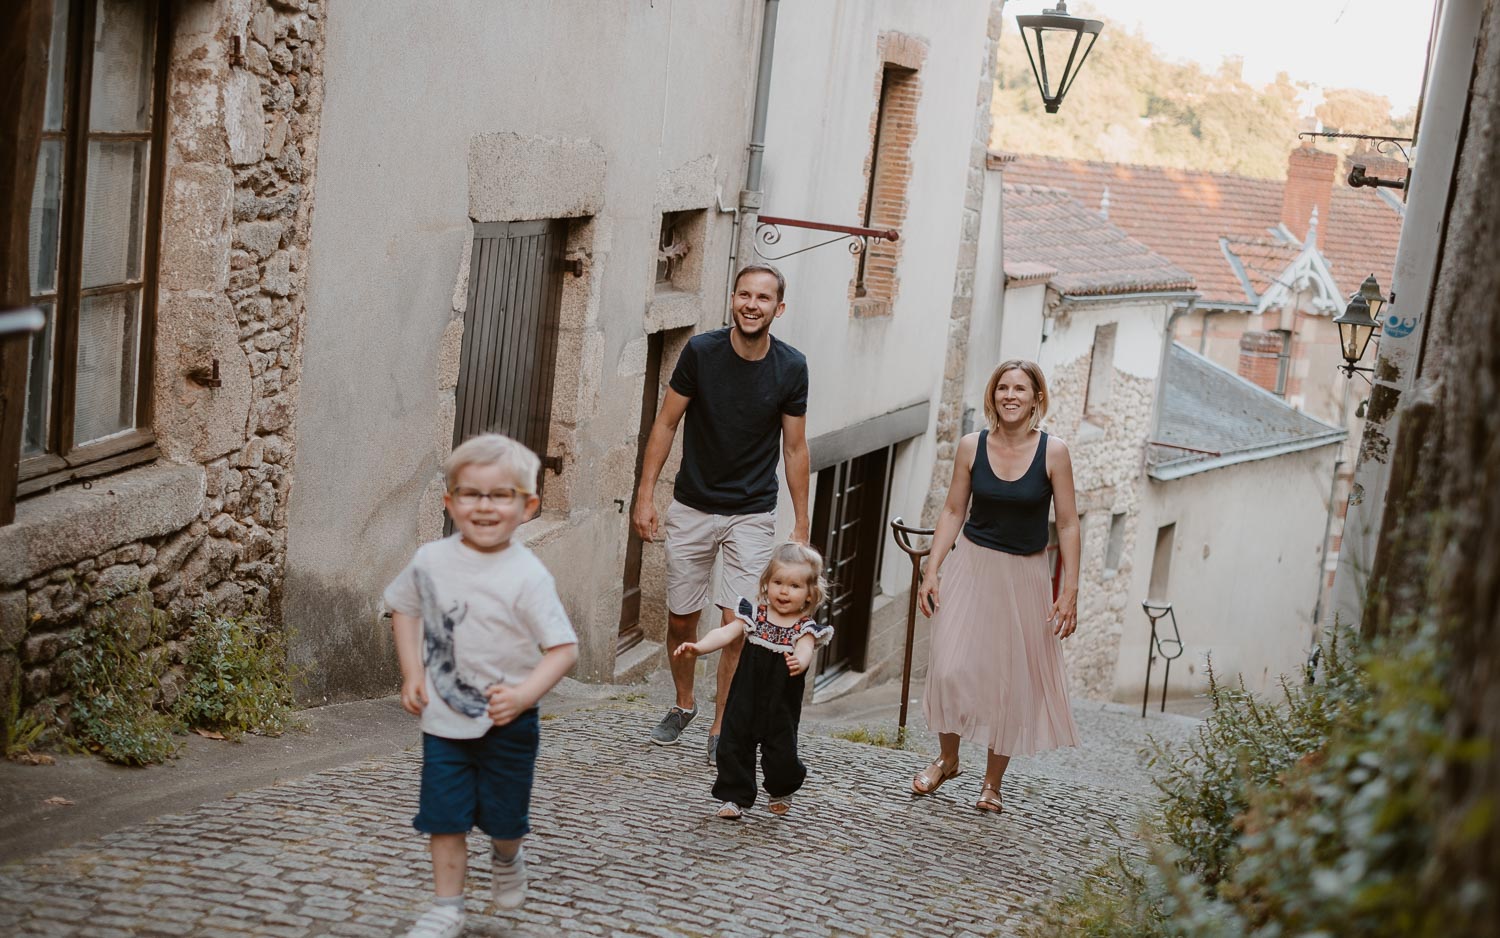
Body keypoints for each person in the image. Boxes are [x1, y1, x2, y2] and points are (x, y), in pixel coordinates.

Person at [385, 434, 579, 938]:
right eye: (471, 494)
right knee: (443, 818)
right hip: (444, 722)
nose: (485, 506)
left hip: (508, 722)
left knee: (505, 819)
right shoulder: (429, 559)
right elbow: (403, 607)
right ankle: (446, 907)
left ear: (527, 505)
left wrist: (523, 695)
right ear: (449, 502)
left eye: (501, 495)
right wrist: (412, 673)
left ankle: (507, 855)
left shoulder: (528, 576)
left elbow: (563, 649)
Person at [632, 263, 811, 765]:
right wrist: (646, 495)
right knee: (680, 619)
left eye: (763, 298)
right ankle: (684, 704)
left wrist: (801, 524)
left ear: (779, 307)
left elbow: (795, 450)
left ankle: (721, 723)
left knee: (739, 622)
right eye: (744, 295)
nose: (752, 305)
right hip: (691, 504)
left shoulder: (790, 367)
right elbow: (666, 423)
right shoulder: (701, 352)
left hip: (751, 513)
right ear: (733, 299)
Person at [910, 359, 1081, 814]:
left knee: (1008, 681)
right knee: (949, 666)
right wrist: (931, 570)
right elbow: (951, 511)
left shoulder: (1054, 452)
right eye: (1002, 387)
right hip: (971, 565)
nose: (1010, 395)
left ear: (1035, 398)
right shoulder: (971, 446)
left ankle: (992, 784)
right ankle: (948, 760)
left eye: (1020, 389)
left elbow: (1067, 523)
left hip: (1024, 574)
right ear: (993, 395)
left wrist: (1069, 590)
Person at [673, 542, 832, 818]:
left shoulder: (803, 628)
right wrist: (699, 647)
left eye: (794, 586)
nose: (784, 591)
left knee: (781, 752)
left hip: (780, 703)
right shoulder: (755, 615)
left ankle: (782, 788)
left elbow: (806, 649)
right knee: (733, 743)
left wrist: (801, 660)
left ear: (809, 595)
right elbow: (726, 633)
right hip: (744, 695)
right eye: (778, 582)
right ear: (766, 584)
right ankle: (733, 796)